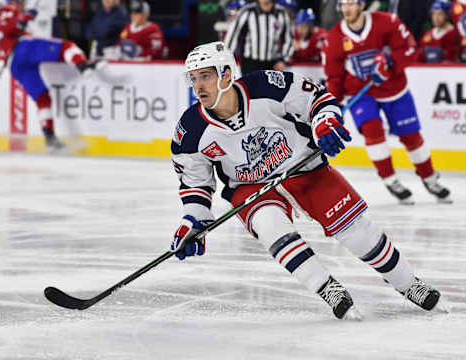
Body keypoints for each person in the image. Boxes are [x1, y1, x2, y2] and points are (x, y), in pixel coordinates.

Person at [170, 41, 441, 320]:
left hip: (304, 167)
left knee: (358, 231)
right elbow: (195, 184)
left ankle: (409, 284)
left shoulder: (266, 85)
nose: (198, 86)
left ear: (226, 74)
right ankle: (327, 288)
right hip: (252, 188)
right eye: (193, 78)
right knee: (269, 225)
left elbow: (319, 100)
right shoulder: (189, 131)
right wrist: (193, 221)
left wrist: (324, 122)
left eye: (205, 76)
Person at [323, 0, 452, 204]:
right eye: (343, 4)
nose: (346, 9)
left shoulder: (388, 22)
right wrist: (333, 103)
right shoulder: (335, 38)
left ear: (362, 5)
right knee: (372, 130)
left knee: (411, 136)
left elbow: (410, 50)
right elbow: (334, 76)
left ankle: (429, 178)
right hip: (361, 93)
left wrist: (390, 63)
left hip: (394, 90)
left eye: (351, 4)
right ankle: (390, 179)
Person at [0, 0, 104, 151]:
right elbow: (11, 26)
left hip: (14, 65)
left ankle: (50, 138)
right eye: (21, 2)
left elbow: (10, 29)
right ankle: (82, 65)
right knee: (65, 46)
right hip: (23, 49)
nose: (22, 5)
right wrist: (24, 17)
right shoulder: (7, 9)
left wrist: (24, 18)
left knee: (43, 98)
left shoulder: (7, 14)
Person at [224, 0, 294, 75]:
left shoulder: (282, 13)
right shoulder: (247, 11)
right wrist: (226, 59)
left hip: (273, 64)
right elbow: (232, 36)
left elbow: (289, 39)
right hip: (250, 63)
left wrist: (284, 60)